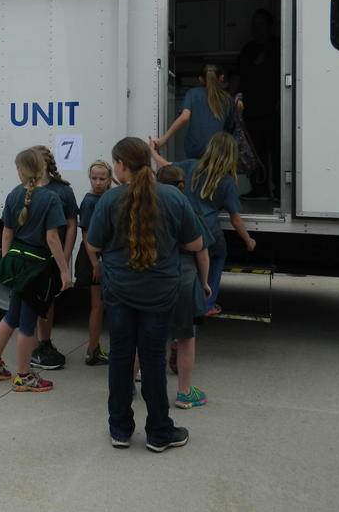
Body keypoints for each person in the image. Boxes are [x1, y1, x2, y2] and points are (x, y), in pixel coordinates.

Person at [86, 137, 202, 451]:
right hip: (160, 293)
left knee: (121, 360)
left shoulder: (109, 201)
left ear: (121, 165)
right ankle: (159, 432)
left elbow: (94, 244)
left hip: (120, 292)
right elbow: (195, 244)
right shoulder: (173, 197)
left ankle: (120, 430)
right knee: (153, 362)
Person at [0, 148, 71, 392]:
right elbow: (52, 238)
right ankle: (23, 375)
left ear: (22, 170)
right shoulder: (51, 199)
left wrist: (6, 261)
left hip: (17, 261)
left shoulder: (13, 195)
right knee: (27, 325)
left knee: (11, 315)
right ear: (41, 169)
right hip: (36, 266)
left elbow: (7, 232)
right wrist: (64, 271)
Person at [155, 131, 256, 315]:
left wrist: (152, 152)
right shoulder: (227, 182)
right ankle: (209, 303)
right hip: (209, 231)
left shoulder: (191, 165)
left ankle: (186, 302)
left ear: (209, 148)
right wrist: (248, 240)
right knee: (218, 256)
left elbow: (166, 167)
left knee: (188, 265)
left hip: (187, 227)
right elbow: (235, 219)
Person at [156, 164, 213, 409]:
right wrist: (204, 282)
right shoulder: (186, 207)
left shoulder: (148, 206)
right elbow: (201, 251)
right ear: (183, 184)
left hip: (154, 277)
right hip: (184, 279)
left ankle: (130, 384)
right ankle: (184, 393)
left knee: (148, 335)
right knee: (186, 337)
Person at [30, 145, 78, 371]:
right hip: (31, 257)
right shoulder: (25, 190)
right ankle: (32, 349)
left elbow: (71, 225)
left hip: (52, 257)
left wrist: (65, 257)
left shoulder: (63, 191)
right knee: (29, 304)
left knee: (48, 303)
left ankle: (44, 342)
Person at [234, 9, 281, 200]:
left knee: (277, 151)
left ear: (270, 26)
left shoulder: (278, 46)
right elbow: (237, 76)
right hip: (251, 110)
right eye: (254, 24)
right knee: (255, 152)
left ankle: (279, 192)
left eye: (260, 24)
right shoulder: (248, 49)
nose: (256, 28)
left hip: (274, 109)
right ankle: (259, 190)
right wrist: (228, 98)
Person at [151, 63, 234, 159]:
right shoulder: (228, 99)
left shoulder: (192, 93)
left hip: (195, 148)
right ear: (222, 78)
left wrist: (163, 140)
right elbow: (228, 128)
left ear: (200, 79)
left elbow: (185, 117)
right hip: (217, 150)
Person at [77, 159, 114, 365]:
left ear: (109, 179)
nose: (97, 182)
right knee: (97, 305)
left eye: (102, 178)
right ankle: (93, 349)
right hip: (94, 257)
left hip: (106, 255)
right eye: (94, 178)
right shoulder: (90, 201)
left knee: (103, 305)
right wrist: (95, 263)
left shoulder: (110, 196)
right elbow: (86, 235)